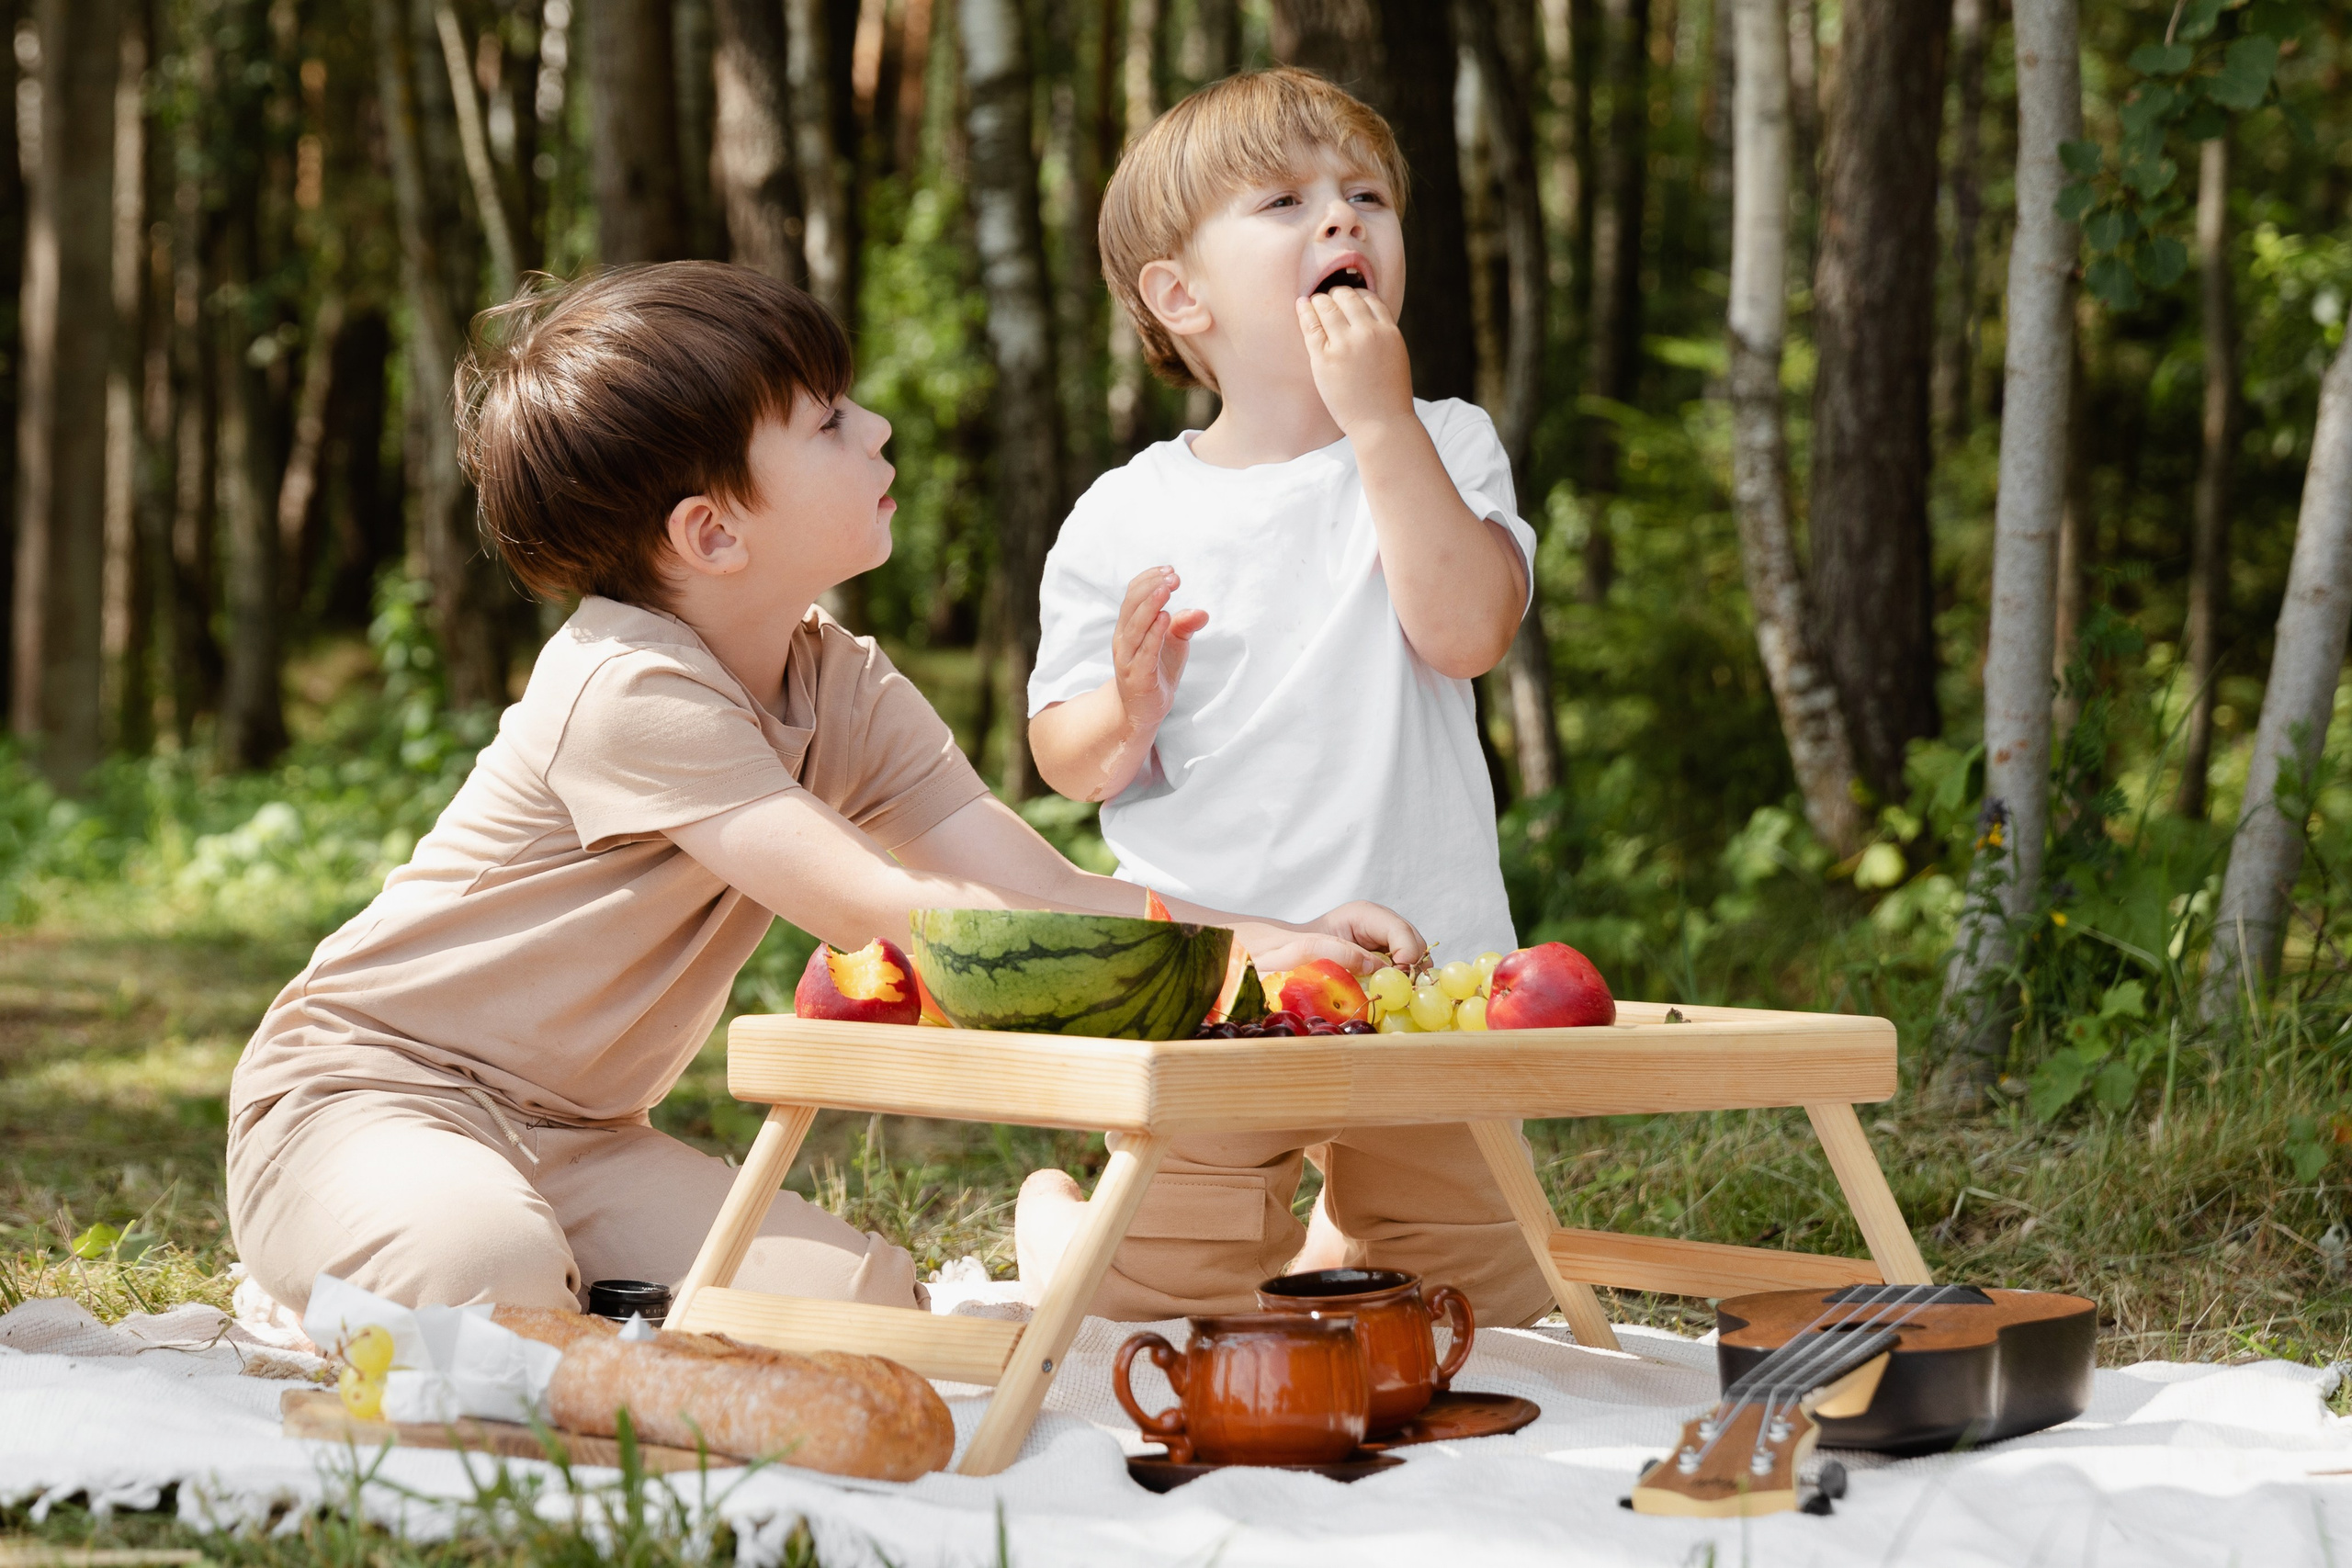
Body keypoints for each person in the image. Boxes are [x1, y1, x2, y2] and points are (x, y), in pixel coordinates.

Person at [226, 262, 1419, 1317]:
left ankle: (534, 1283)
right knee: (483, 1280)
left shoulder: (834, 677)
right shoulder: (624, 683)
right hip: (364, 1097)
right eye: (829, 420)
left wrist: (1277, 937)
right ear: (712, 533)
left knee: (867, 1306)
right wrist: (1250, 957)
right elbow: (900, 919)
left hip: (579, 1141)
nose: (880, 428)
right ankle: (379, 1271)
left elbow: (1039, 887)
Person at [1017, 68, 1553, 1328]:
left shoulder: (1445, 441)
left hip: (1429, 975)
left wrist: (1380, 426)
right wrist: (1128, 710)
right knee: (1153, 1300)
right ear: (1178, 295)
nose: (1343, 221)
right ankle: (1059, 1226)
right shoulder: (1126, 511)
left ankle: (1338, 1237)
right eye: (1285, 202)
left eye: (1367, 195)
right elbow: (1065, 757)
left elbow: (1468, 629)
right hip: (1223, 984)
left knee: (1479, 1309)